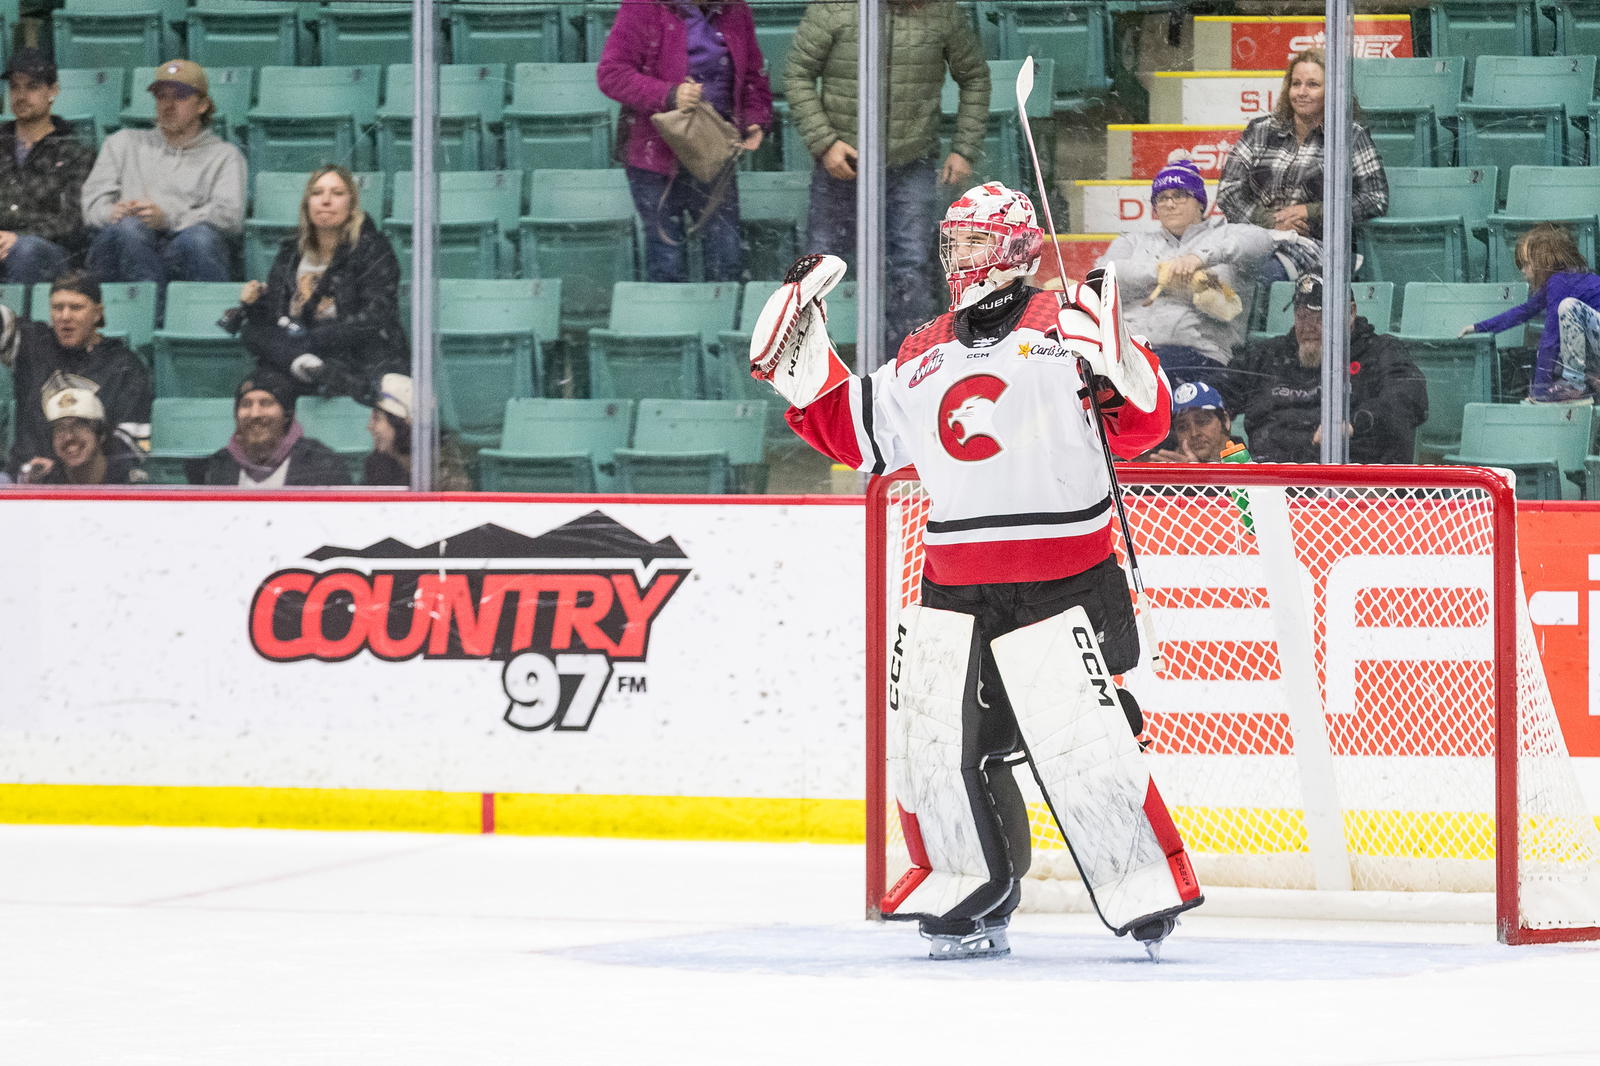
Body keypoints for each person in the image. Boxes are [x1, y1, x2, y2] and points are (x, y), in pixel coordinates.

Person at [747, 183, 1200, 959]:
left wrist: (1122, 363)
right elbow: (856, 434)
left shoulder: (1069, 326)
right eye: (952, 243)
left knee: (1081, 739)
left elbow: (1143, 428)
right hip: (956, 580)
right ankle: (973, 894)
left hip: (1067, 572)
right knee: (947, 748)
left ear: (1017, 248)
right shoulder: (924, 350)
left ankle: (1143, 888)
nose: (958, 257)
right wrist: (803, 363)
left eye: (974, 242)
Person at [787, 0, 989, 355]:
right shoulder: (836, 7)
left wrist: (964, 148)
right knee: (821, 266)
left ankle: (908, 366)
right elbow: (797, 74)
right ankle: (811, 363)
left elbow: (974, 76)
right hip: (842, 163)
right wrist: (825, 143)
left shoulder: (941, 11)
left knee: (911, 266)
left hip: (911, 162)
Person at [596, 0, 771, 284]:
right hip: (654, 157)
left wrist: (754, 119)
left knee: (726, 258)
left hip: (713, 153)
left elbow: (753, 75)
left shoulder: (735, 9)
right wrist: (668, 94)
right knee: (667, 261)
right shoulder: (643, 7)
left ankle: (722, 324)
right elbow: (611, 74)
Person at [231, 165, 406, 406]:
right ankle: (307, 365)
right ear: (307, 204)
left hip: (351, 350)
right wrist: (252, 304)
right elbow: (275, 315)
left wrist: (312, 338)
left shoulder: (372, 248)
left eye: (337, 193)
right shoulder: (290, 251)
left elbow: (376, 315)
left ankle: (313, 367)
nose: (325, 201)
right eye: (317, 193)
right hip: (300, 350)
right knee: (252, 338)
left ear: (351, 204)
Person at [1098, 154, 1274, 390]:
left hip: (1200, 358)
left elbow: (1262, 241)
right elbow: (1102, 276)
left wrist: (1199, 258)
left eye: (1179, 196)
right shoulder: (1133, 242)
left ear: (1200, 202)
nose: (1169, 204)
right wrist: (1161, 272)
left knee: (1152, 379)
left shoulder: (1226, 234)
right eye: (1161, 198)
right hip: (1133, 354)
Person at [1216, 48, 1388, 284]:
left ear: (1333, 91)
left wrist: (1312, 212)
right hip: (1255, 234)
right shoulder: (1260, 130)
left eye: (1313, 85)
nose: (1302, 92)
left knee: (1262, 274)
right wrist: (1271, 220)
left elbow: (1375, 198)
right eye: (1296, 84)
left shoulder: (1350, 136)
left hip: (1313, 245)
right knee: (1212, 272)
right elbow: (1229, 190)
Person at [81, 59, 246, 289]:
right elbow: (91, 205)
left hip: (182, 246)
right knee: (129, 229)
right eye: (161, 96)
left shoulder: (224, 155)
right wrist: (113, 212)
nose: (168, 105)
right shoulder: (122, 142)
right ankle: (149, 317)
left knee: (200, 239)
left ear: (203, 105)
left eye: (180, 96)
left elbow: (229, 216)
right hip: (127, 244)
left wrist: (168, 218)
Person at [1233, 273, 1427, 463]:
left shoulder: (1381, 352)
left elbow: (1408, 397)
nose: (1308, 327)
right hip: (1271, 483)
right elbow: (1224, 385)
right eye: (1302, 316)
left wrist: (1351, 424)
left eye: (1320, 317)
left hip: (1354, 481)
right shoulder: (1270, 354)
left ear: (1350, 313)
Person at [1, 270, 151, 479]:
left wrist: (72, 473)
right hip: (22, 482)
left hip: (93, 486)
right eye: (57, 307)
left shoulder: (124, 365)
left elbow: (131, 446)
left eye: (76, 307)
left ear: (97, 314)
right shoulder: (33, 344)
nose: (65, 316)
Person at [1459, 222, 1600, 403]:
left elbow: (1551, 338)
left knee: (1568, 307)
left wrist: (1540, 392)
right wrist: (1479, 327)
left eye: (1526, 264)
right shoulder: (1559, 282)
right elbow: (1523, 311)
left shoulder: (1560, 283)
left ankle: (1574, 385)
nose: (1523, 271)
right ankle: (1580, 385)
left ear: (1545, 260)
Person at [0, 48, 94, 285]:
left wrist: (18, 237)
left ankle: (22, 322)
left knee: (26, 250)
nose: (21, 95)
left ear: (52, 91)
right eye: (14, 87)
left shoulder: (75, 150)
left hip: (50, 250)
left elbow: (73, 219)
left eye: (32, 86)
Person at [200, 367, 351, 487]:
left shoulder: (321, 463)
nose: (255, 414)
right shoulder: (220, 464)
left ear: (286, 414)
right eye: (246, 404)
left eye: (266, 403)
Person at [17, 374, 148, 485]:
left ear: (101, 434)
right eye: (59, 429)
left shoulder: (129, 483)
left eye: (79, 426)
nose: (69, 437)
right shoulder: (47, 483)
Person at [361, 372, 471, 490]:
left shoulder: (444, 470)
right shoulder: (379, 465)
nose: (369, 427)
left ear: (401, 424)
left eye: (377, 418)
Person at [1139, 380, 1241, 463]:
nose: (1194, 433)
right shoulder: (1170, 469)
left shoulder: (1251, 461)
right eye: (1182, 427)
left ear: (1225, 421)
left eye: (1202, 421)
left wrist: (1194, 477)